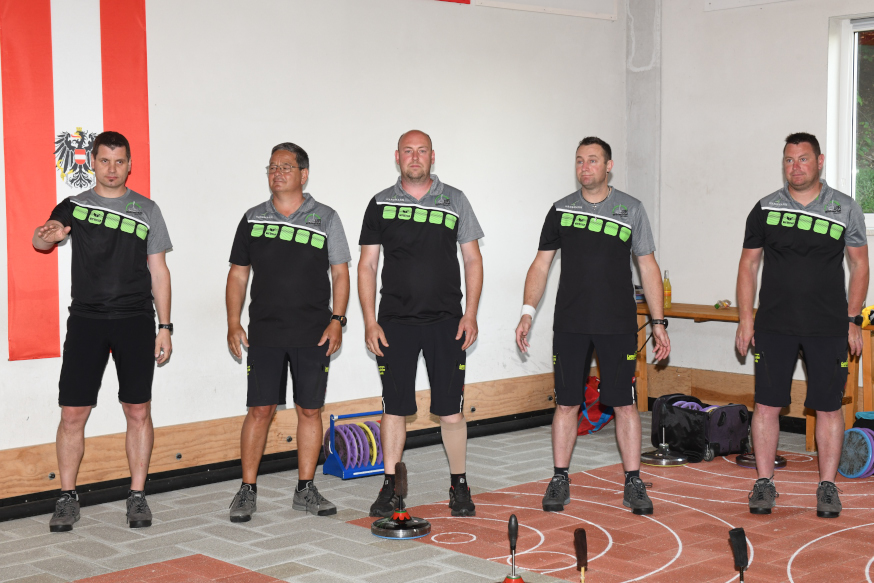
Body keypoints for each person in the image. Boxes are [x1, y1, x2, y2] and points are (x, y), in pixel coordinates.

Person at [515, 137, 670, 515]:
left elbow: (647, 266)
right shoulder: (560, 210)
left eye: (593, 160)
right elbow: (541, 264)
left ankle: (633, 481)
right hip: (570, 324)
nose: (585, 167)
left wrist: (658, 321)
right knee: (566, 403)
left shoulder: (631, 209)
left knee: (625, 405)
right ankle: (559, 478)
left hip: (618, 325)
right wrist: (527, 312)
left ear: (608, 166)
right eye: (580, 161)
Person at [33, 131, 173, 532]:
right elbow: (42, 241)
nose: (112, 169)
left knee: (138, 410)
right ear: (92, 162)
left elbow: (159, 271)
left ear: (129, 165)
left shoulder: (147, 209)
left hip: (135, 320)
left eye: (119, 161)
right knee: (72, 413)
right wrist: (47, 234)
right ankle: (67, 497)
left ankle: (137, 496)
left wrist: (165, 326)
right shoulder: (74, 206)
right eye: (105, 160)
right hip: (86, 321)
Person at [736, 132, 868, 518]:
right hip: (774, 326)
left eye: (803, 159)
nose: (796, 167)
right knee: (766, 405)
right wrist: (746, 319)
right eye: (789, 160)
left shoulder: (845, 208)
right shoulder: (765, 208)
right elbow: (748, 264)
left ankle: (827, 486)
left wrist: (852, 319)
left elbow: (860, 265)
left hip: (828, 326)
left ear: (820, 161)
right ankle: (764, 483)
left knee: (828, 407)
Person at [358, 130, 484, 517]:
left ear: (433, 156)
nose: (415, 157)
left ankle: (459, 485)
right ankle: (390, 487)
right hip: (394, 323)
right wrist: (369, 321)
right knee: (394, 407)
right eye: (408, 151)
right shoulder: (380, 203)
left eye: (422, 151)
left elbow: (473, 259)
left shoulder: (455, 200)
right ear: (397, 157)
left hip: (447, 322)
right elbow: (367, 265)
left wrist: (470, 314)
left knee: (450, 409)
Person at [226, 143, 351, 521]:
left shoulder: (326, 217)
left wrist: (337, 319)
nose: (277, 173)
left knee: (309, 410)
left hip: (313, 332)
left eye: (285, 167)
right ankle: (247, 490)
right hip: (265, 332)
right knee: (260, 410)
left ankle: (305, 488)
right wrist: (233, 322)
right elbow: (238, 274)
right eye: (272, 167)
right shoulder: (252, 218)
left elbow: (340, 273)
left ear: (303, 174)